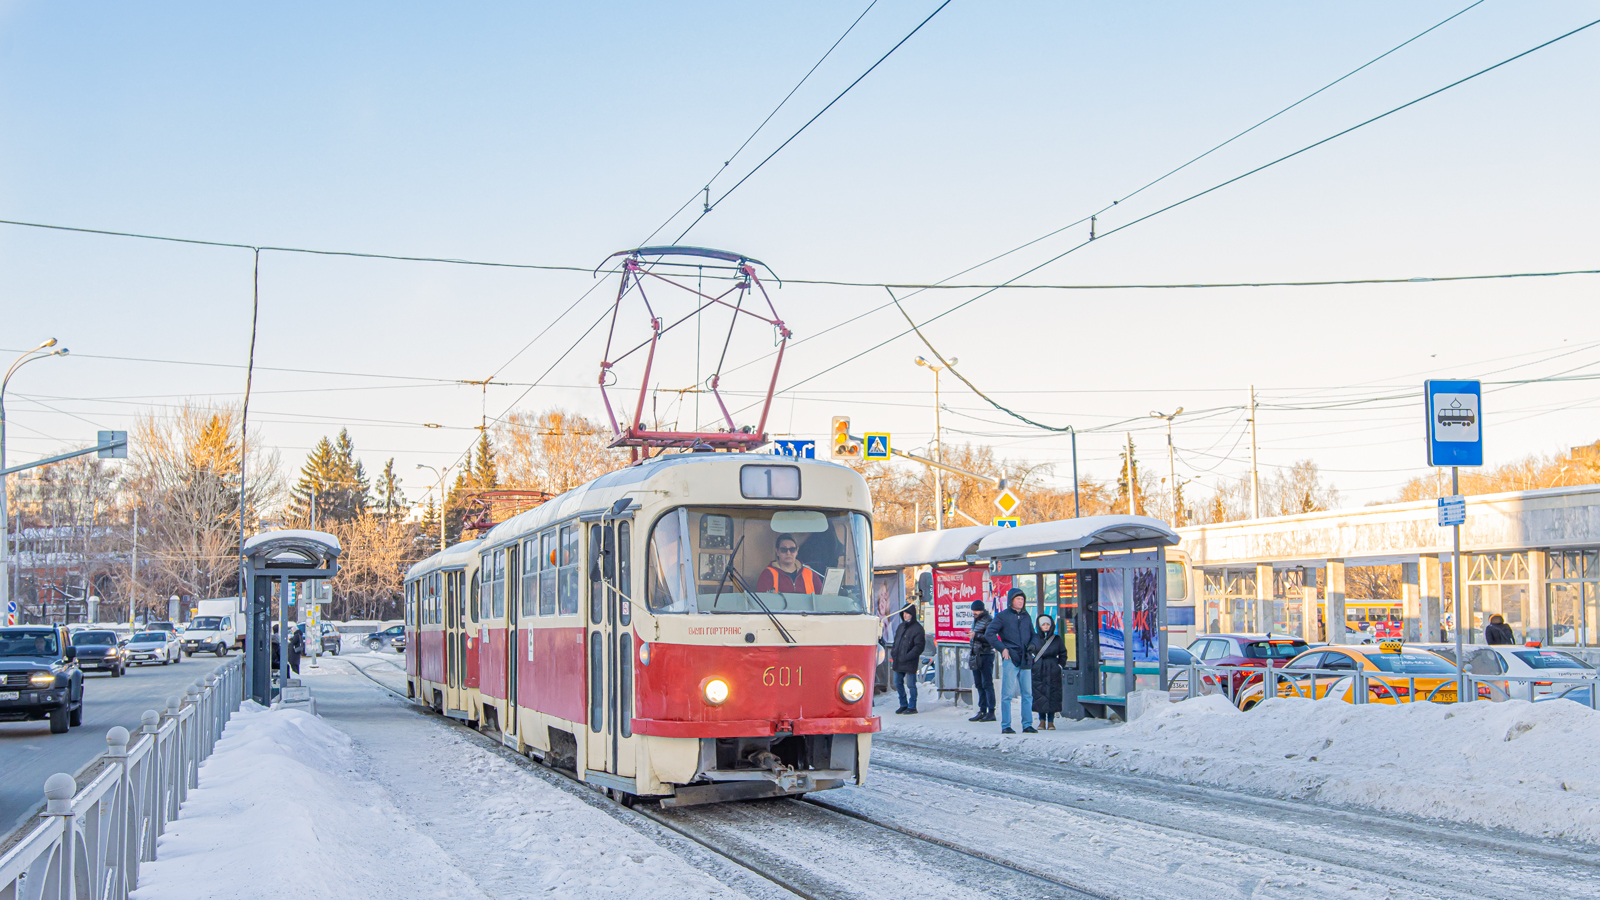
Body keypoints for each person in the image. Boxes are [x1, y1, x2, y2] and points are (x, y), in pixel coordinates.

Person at [985, 588, 1036, 734]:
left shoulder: (1026, 616)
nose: (1021, 601)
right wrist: (1002, 648)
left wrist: (1033, 645)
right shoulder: (1002, 616)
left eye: (1022, 599)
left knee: (1027, 693)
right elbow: (990, 633)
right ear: (1011, 600)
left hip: (1025, 657)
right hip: (1011, 658)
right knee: (1007, 694)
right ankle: (1006, 725)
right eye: (1018, 599)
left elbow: (1033, 634)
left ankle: (1027, 724)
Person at [1030, 614, 1067, 729]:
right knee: (1040, 695)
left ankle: (1051, 721)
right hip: (1039, 668)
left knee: (1053, 695)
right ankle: (1041, 721)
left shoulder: (1057, 639)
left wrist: (1060, 665)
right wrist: (1033, 665)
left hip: (1053, 669)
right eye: (1043, 624)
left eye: (1047, 624)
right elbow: (1029, 651)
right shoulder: (1035, 638)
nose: (1046, 627)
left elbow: (1063, 653)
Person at [755, 534, 822, 594]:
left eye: (792, 549)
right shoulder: (767, 574)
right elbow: (761, 602)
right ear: (777, 552)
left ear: (797, 551)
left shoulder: (809, 572)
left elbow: (823, 598)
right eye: (784, 550)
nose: (788, 553)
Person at [890, 602, 925, 714]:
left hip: (909, 661)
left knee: (911, 685)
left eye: (908, 613)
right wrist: (894, 653)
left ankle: (912, 706)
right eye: (904, 613)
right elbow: (896, 642)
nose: (905, 615)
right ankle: (903, 704)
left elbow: (919, 646)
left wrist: (908, 656)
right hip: (898, 660)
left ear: (912, 614)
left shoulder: (917, 629)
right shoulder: (901, 627)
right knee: (897, 683)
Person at [967, 599, 995, 722]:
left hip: (986, 654)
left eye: (976, 610)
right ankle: (982, 709)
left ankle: (991, 711)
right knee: (978, 684)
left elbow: (990, 638)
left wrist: (975, 636)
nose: (974, 613)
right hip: (976, 654)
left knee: (987, 683)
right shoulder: (976, 620)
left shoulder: (988, 620)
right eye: (973, 611)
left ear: (982, 610)